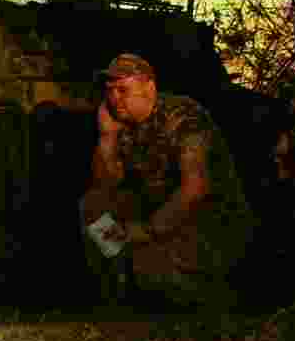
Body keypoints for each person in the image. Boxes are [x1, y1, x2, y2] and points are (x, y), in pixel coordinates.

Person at [79, 53, 255, 308]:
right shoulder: (122, 123)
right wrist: (107, 138)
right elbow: (104, 186)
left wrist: (147, 231)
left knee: (151, 270)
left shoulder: (183, 115)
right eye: (110, 91)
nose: (114, 98)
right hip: (160, 214)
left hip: (209, 222)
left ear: (149, 87)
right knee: (93, 207)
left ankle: (211, 295)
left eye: (122, 89)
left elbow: (194, 190)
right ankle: (119, 283)